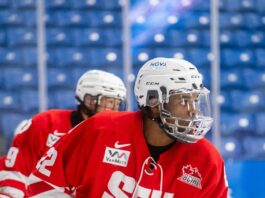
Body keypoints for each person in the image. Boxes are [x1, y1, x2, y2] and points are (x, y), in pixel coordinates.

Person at [28, 57, 228, 197]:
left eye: (195, 101)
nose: (194, 111)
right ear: (155, 103)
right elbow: (43, 183)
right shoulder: (100, 130)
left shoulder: (207, 160)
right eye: (184, 101)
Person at [0, 70, 127, 198]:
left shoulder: (118, 141)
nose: (114, 109)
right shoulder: (46, 123)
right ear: (89, 100)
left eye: (117, 103)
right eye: (108, 102)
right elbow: (16, 171)